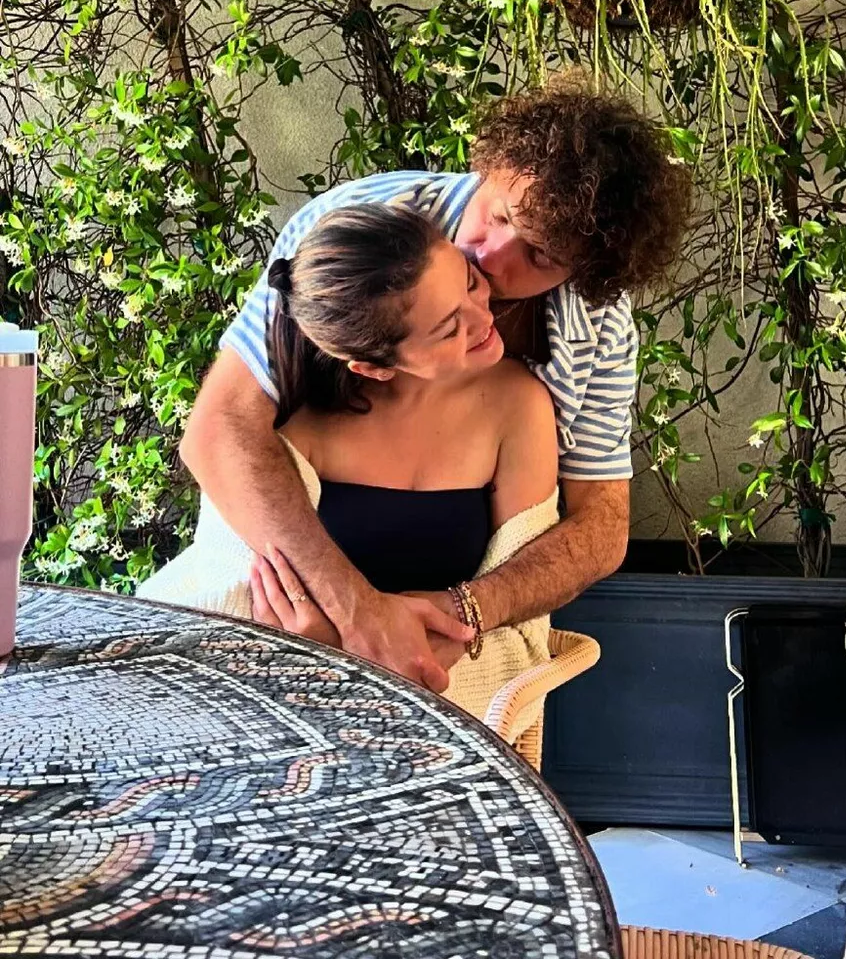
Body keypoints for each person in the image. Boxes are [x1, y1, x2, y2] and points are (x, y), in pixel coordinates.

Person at [179, 71, 689, 692]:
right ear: (490, 165)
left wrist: (458, 616)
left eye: (540, 256)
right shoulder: (349, 230)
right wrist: (357, 618)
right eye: (498, 215)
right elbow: (220, 429)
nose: (491, 257)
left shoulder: (595, 328)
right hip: (285, 614)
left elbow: (602, 525)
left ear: (584, 272)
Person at [140, 204, 561, 730]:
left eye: (471, 283)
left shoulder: (518, 406)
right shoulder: (287, 424)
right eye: (449, 329)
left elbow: (523, 629)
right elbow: (226, 598)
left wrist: (349, 654)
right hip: (262, 722)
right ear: (374, 367)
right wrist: (333, 654)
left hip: (436, 728)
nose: (484, 317)